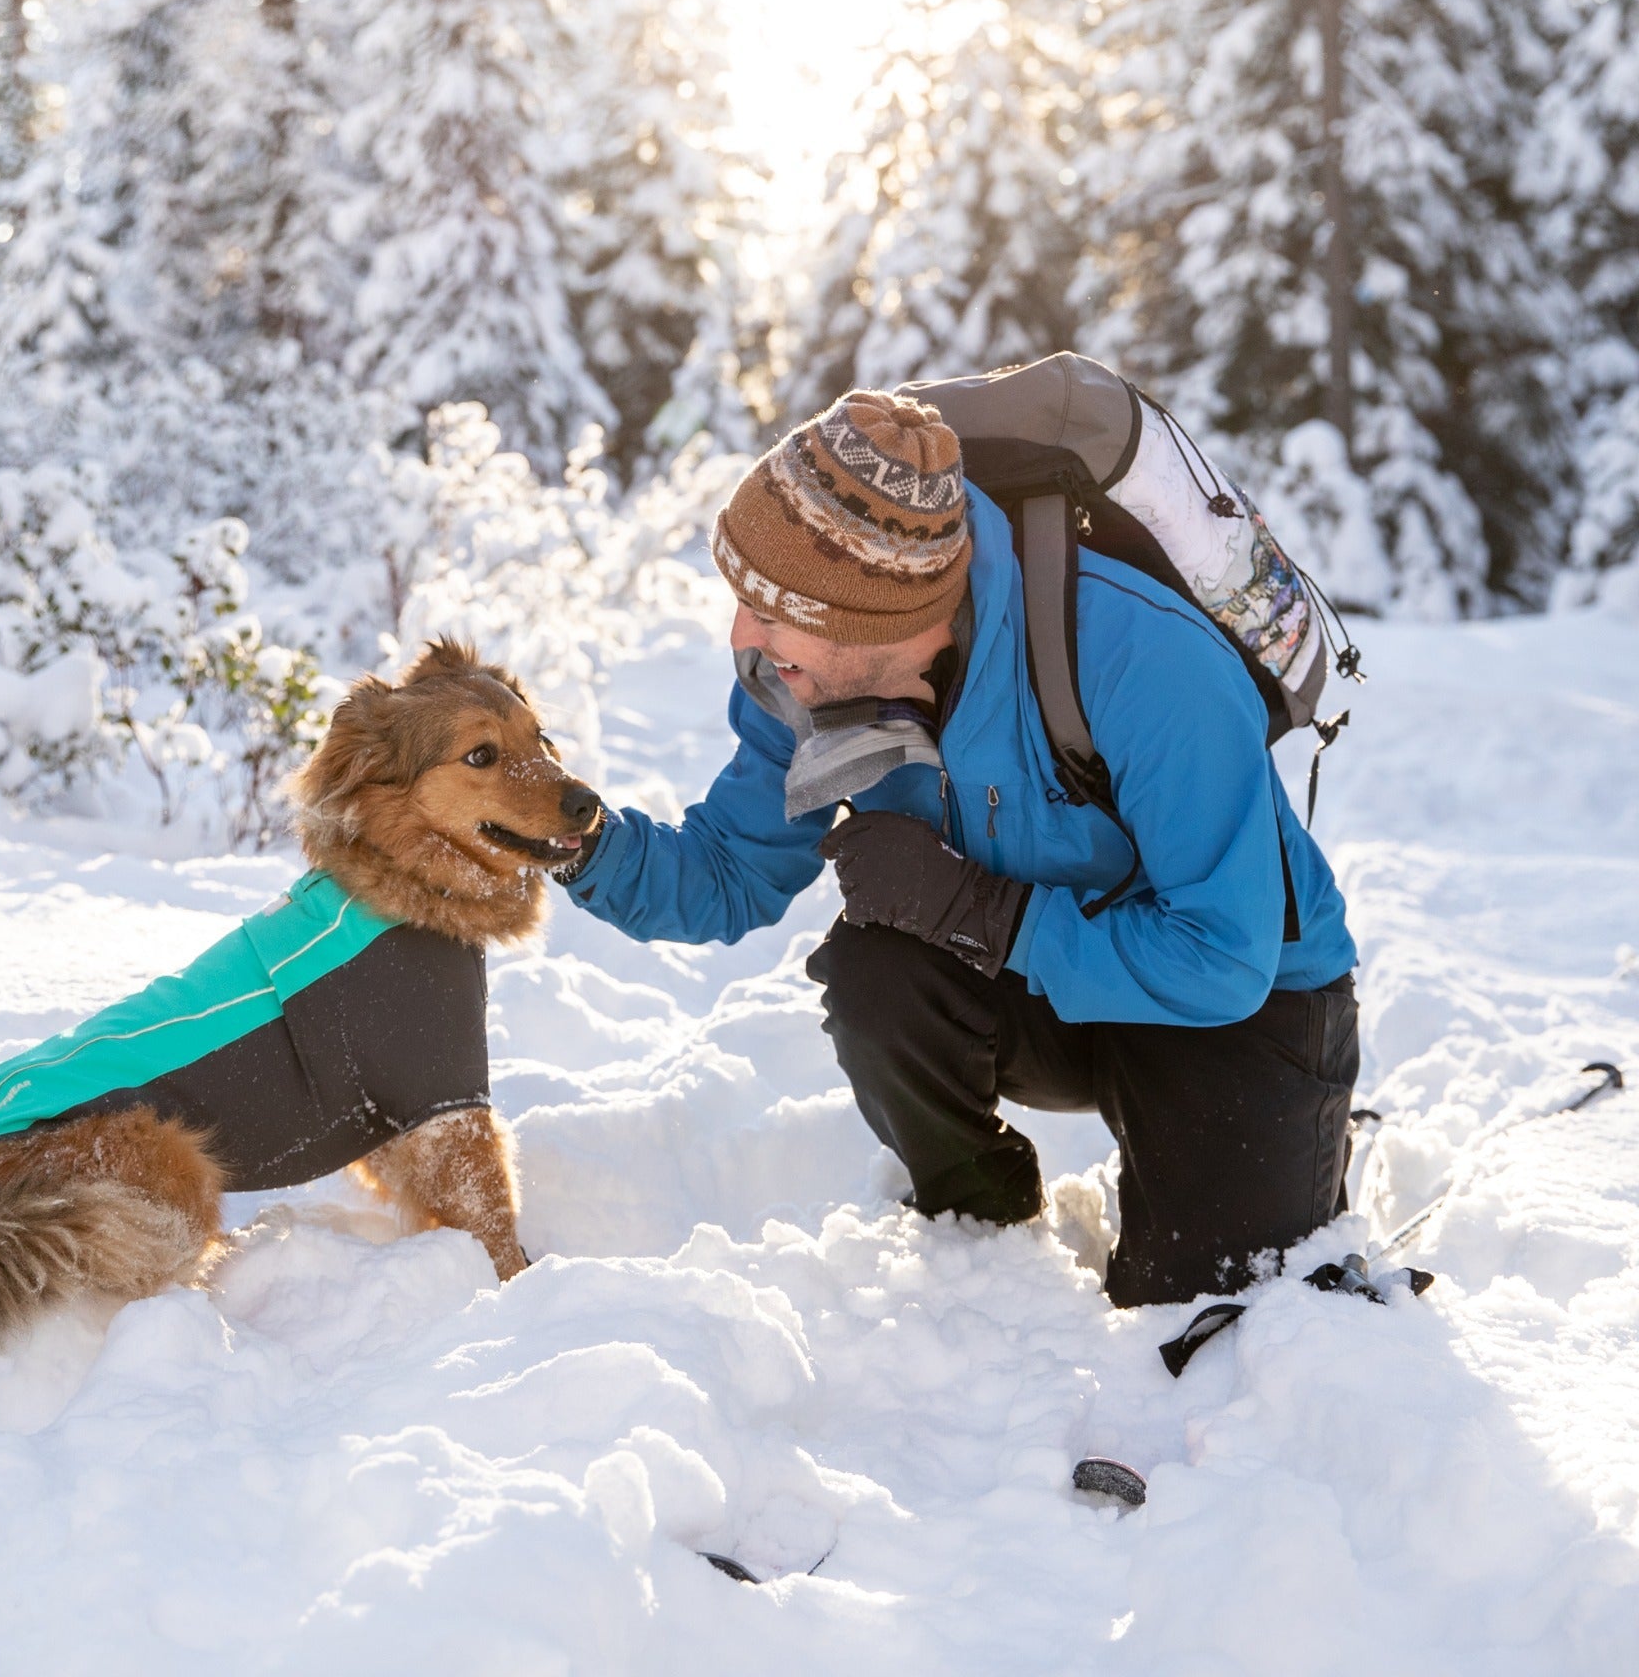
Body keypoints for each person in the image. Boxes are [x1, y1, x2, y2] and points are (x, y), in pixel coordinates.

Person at [555, 390, 1359, 1306]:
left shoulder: (1145, 663)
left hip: (1237, 1005)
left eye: (771, 610)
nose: (743, 636)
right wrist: (572, 841)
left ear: (875, 616)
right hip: (1055, 993)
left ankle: (1291, 1148)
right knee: (877, 975)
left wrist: (977, 909)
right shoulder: (800, 678)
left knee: (1209, 1314)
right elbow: (730, 872)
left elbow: (1223, 960)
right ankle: (980, 1222)